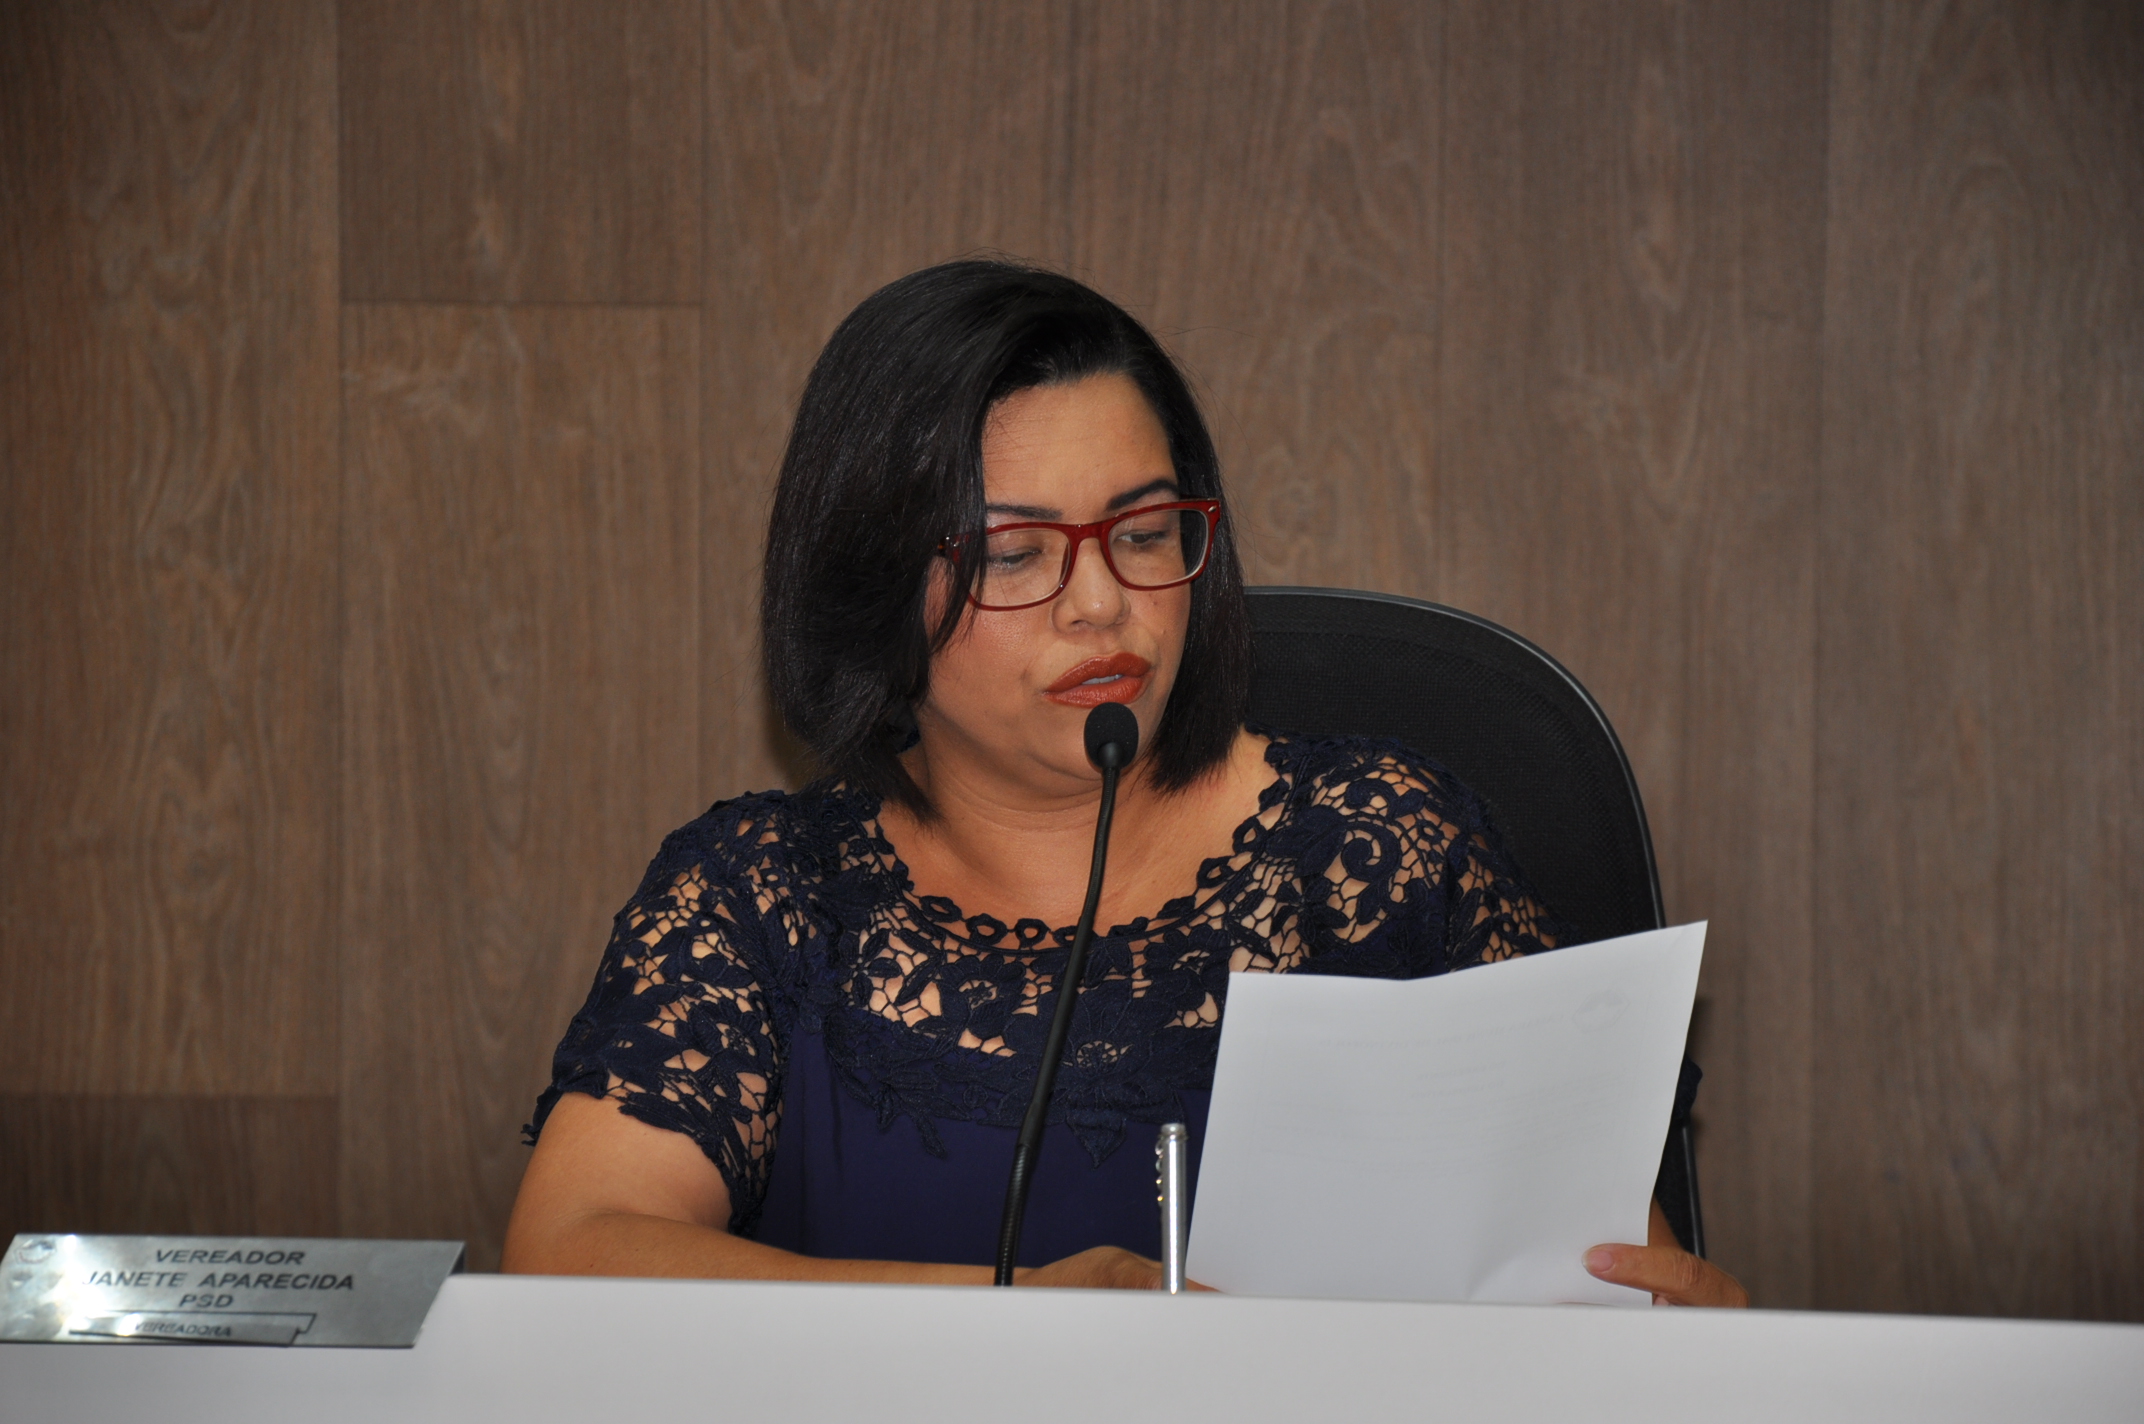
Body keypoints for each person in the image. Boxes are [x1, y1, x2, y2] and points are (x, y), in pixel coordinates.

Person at [501, 259, 1747, 1306]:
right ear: (870, 584)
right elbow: (573, 1252)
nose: (1101, 603)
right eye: (1014, 553)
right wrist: (1022, 1319)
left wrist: (1686, 1336)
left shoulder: (1376, 857)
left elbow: (1607, 1271)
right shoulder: (764, 896)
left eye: (1143, 533)